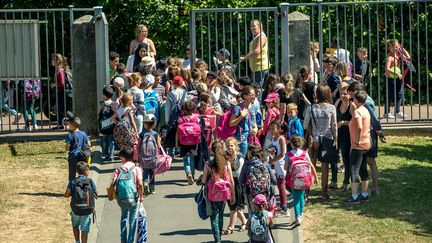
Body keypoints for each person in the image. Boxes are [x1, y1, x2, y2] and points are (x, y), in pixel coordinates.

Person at [347, 81, 385, 196]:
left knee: (370, 162)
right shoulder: (364, 100)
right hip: (366, 135)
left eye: (352, 95)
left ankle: (374, 187)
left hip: (368, 135)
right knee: (364, 163)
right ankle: (365, 189)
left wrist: (379, 132)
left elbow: (374, 119)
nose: (351, 98)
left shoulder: (366, 103)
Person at [302, 85, 337, 198]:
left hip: (313, 139)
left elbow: (305, 125)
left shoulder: (311, 108)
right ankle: (324, 191)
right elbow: (334, 125)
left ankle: (306, 191)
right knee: (325, 165)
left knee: (310, 164)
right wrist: (336, 138)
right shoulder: (331, 108)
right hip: (327, 139)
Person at [201, 140, 235, 243]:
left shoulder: (208, 164)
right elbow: (231, 181)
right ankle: (219, 235)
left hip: (212, 194)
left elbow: (203, 181)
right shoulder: (226, 163)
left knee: (214, 216)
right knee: (221, 214)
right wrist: (232, 195)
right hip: (224, 194)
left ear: (212, 151)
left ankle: (217, 239)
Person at [108, 150, 143, 243]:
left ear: (123, 157)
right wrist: (141, 196)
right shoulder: (137, 169)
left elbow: (113, 183)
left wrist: (110, 194)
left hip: (121, 198)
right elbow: (140, 183)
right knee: (132, 220)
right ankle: (130, 241)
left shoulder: (118, 170)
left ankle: (123, 240)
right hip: (133, 198)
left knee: (124, 217)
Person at [284, 136, 318, 225]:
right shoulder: (304, 153)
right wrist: (316, 177)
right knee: (302, 195)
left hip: (294, 179)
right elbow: (311, 165)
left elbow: (285, 167)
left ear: (291, 144)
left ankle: (297, 216)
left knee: (295, 197)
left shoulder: (289, 154)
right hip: (305, 178)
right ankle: (301, 213)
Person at [345, 91, 371, 204]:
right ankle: (364, 194)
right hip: (367, 144)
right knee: (363, 169)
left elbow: (359, 126)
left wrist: (357, 140)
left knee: (354, 169)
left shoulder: (357, 112)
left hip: (358, 145)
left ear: (356, 100)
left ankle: (354, 196)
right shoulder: (366, 110)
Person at [64, 162, 97, 243]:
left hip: (76, 209)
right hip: (87, 209)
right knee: (84, 229)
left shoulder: (73, 182)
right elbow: (97, 194)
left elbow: (66, 195)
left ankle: (77, 241)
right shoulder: (90, 181)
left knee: (75, 226)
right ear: (86, 171)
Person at [239, 143, 276, 210]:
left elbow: (241, 180)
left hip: (251, 193)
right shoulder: (265, 163)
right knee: (265, 211)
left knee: (252, 212)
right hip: (265, 192)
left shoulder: (247, 164)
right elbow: (273, 179)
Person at [223, 137, 248, 235]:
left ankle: (230, 227)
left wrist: (227, 171)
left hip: (238, 184)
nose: (229, 148)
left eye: (231, 146)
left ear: (236, 146)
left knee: (234, 206)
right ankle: (245, 222)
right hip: (228, 183)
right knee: (235, 206)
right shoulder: (226, 156)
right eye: (228, 146)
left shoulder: (240, 157)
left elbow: (238, 174)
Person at [334, 82, 356, 191]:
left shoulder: (351, 105)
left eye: (345, 94)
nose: (343, 95)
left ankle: (346, 183)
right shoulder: (338, 103)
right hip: (340, 135)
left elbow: (355, 121)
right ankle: (345, 182)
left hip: (348, 135)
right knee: (343, 159)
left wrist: (343, 122)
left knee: (347, 160)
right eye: (341, 93)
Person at [266, 120, 288, 215]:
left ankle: (284, 207)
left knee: (281, 186)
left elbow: (282, 154)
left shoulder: (281, 139)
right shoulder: (273, 138)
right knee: (280, 185)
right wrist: (270, 151)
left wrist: (272, 161)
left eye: (273, 128)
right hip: (276, 164)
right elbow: (273, 149)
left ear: (279, 129)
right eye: (270, 128)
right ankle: (281, 205)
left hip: (282, 165)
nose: (271, 130)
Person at [176, 100, 201, 185]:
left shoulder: (181, 119)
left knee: (186, 159)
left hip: (183, 142)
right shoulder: (196, 118)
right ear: (194, 110)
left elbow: (177, 132)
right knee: (192, 158)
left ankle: (188, 173)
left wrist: (176, 143)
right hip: (194, 142)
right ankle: (193, 175)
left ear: (184, 109)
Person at [229, 86, 258, 156]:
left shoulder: (253, 107)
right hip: (241, 139)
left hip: (251, 138)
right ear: (245, 96)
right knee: (241, 159)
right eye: (251, 95)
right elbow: (231, 123)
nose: (254, 96)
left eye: (254, 94)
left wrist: (256, 129)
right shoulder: (238, 108)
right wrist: (241, 116)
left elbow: (254, 122)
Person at [384, 39, 410, 119]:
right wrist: (397, 73)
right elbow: (387, 69)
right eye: (395, 46)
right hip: (391, 78)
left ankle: (397, 112)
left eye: (397, 46)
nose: (396, 48)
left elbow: (408, 57)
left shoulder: (398, 55)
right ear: (390, 47)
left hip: (398, 78)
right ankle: (386, 113)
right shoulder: (390, 57)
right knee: (390, 95)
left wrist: (402, 49)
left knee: (399, 94)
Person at [240, 20, 270, 87]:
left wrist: (245, 57)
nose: (251, 28)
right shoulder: (257, 36)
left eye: (254, 26)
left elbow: (257, 51)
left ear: (259, 26)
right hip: (256, 67)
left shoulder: (261, 36)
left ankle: (259, 98)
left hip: (260, 67)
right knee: (257, 87)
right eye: (251, 26)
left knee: (257, 88)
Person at [140, 114, 161, 195]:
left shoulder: (142, 134)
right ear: (154, 123)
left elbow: (138, 146)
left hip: (143, 157)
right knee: (152, 172)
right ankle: (152, 188)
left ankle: (145, 183)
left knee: (145, 171)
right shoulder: (155, 134)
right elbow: (159, 146)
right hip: (153, 157)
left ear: (145, 124)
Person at [65, 116, 91, 181]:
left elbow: (67, 148)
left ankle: (72, 188)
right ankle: (83, 186)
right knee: (82, 173)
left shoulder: (70, 135)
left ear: (72, 125)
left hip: (73, 157)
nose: (68, 126)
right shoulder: (83, 134)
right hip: (82, 156)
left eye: (69, 124)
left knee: (72, 174)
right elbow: (89, 144)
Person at [99, 86, 116, 161]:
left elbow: (99, 113)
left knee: (105, 140)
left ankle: (105, 154)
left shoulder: (102, 104)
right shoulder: (114, 104)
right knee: (112, 140)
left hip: (104, 125)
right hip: (112, 124)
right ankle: (111, 155)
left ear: (104, 95)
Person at [51, 53, 68, 129]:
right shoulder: (58, 70)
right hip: (59, 91)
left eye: (53, 59)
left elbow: (62, 83)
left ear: (57, 61)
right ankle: (60, 125)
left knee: (62, 109)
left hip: (61, 92)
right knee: (59, 108)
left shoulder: (60, 70)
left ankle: (74, 119)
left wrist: (54, 85)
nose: (51, 61)